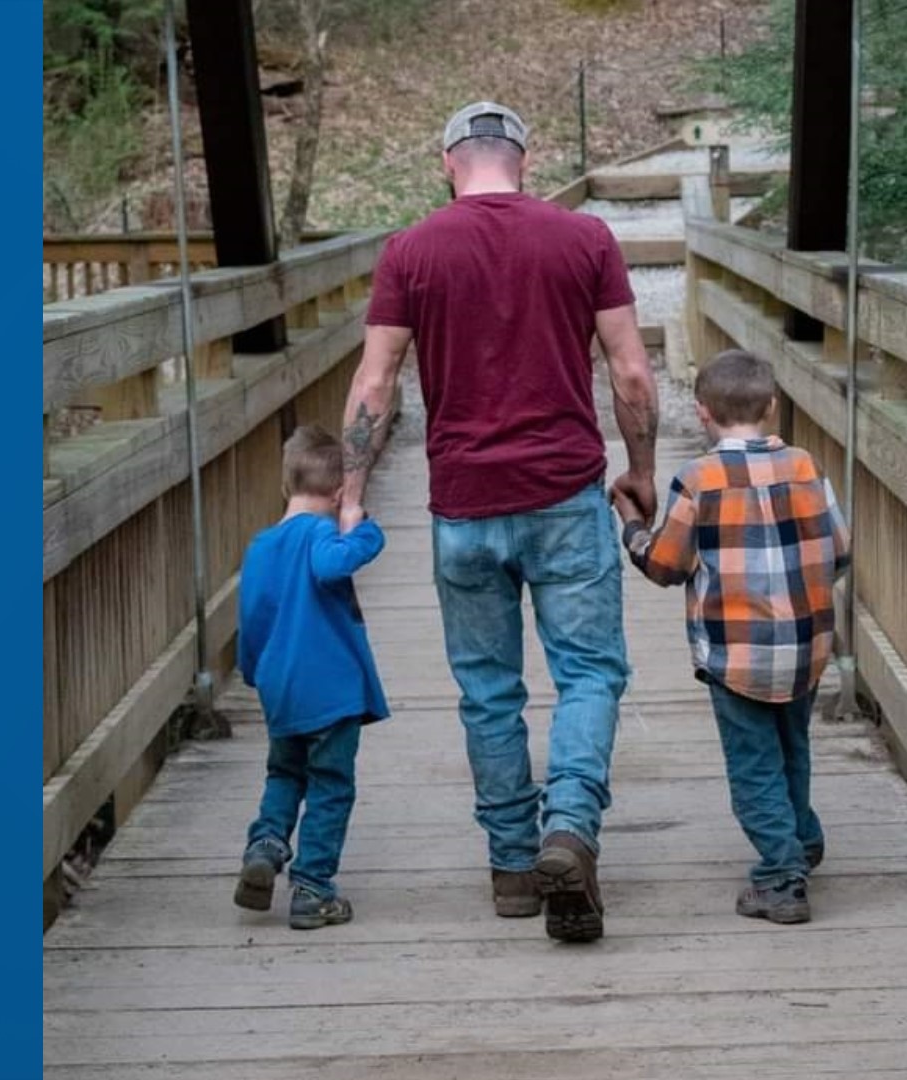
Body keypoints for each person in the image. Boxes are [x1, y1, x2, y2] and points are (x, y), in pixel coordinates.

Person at [334, 101, 660, 943]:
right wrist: (644, 471)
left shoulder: (411, 251)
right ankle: (571, 829)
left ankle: (515, 869)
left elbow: (374, 387)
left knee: (488, 692)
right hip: (563, 496)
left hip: (464, 506)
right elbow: (630, 373)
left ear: (450, 163)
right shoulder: (584, 239)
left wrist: (350, 493)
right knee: (588, 674)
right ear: (524, 158)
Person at [611, 350, 851, 925]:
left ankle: (780, 878)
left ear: (701, 413)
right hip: (805, 646)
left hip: (736, 654)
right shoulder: (805, 467)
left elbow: (666, 566)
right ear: (772, 406)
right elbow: (839, 552)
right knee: (792, 746)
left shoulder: (698, 479)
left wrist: (632, 526)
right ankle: (800, 837)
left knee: (752, 765)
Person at [232, 426, 389, 930]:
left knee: (284, 772)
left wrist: (255, 670)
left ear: (286, 486)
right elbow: (330, 565)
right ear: (339, 492)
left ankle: (267, 842)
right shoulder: (323, 535)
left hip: (280, 688)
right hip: (331, 691)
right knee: (329, 784)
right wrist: (363, 527)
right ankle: (313, 888)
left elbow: (251, 617)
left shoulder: (260, 546)